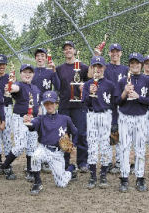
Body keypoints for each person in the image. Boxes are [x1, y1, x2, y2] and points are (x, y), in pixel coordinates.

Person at [24, 91, 78, 195]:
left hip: (58, 153)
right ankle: (37, 182)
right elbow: (32, 125)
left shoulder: (65, 119)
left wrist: (73, 145)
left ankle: (72, 168)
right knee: (35, 156)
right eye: (47, 103)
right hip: (44, 149)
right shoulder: (41, 118)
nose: (49, 106)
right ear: (44, 105)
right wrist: (27, 121)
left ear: (57, 104)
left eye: (52, 103)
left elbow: (75, 132)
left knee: (61, 183)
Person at [115, 53, 149, 192]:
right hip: (125, 117)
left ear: (141, 64)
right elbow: (117, 102)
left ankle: (140, 177)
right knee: (124, 148)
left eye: (137, 63)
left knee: (140, 149)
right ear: (129, 65)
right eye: (132, 63)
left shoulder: (148, 81)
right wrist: (125, 93)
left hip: (141, 117)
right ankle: (124, 178)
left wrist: (138, 97)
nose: (135, 65)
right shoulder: (123, 81)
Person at [0, 64, 40, 181]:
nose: (27, 74)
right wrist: (10, 87)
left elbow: (38, 105)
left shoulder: (36, 88)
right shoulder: (20, 85)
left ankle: (29, 170)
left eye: (30, 72)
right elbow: (14, 88)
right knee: (20, 146)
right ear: (20, 74)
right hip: (20, 119)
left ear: (33, 74)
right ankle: (5, 165)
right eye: (25, 72)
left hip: (34, 119)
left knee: (32, 146)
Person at [82, 56, 115, 189]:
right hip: (92, 115)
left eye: (100, 66)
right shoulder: (87, 84)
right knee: (92, 144)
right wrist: (90, 94)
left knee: (105, 144)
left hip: (106, 115)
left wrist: (114, 120)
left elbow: (114, 103)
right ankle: (92, 175)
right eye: (95, 66)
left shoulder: (110, 84)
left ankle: (103, 175)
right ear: (91, 68)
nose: (97, 69)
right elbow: (84, 103)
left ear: (104, 68)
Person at [56, 41, 89, 172]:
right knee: (64, 135)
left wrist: (84, 88)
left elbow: (91, 81)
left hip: (79, 106)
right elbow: (57, 86)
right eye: (65, 49)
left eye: (70, 48)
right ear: (64, 52)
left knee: (81, 134)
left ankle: (82, 162)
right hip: (64, 105)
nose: (68, 51)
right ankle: (65, 161)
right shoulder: (59, 69)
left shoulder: (83, 67)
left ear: (75, 51)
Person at [31, 48, 60, 172]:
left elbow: (58, 86)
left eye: (42, 55)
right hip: (35, 105)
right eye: (38, 56)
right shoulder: (32, 71)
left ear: (46, 58)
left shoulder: (50, 71)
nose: (40, 58)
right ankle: (35, 159)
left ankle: (48, 160)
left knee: (49, 131)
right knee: (35, 132)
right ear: (35, 58)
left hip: (48, 103)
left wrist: (54, 71)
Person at [104, 43, 129, 174]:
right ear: (109, 53)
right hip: (108, 104)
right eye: (112, 51)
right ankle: (107, 162)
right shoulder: (105, 67)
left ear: (121, 53)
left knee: (121, 133)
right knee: (108, 133)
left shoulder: (126, 69)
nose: (115, 54)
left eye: (117, 51)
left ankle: (119, 161)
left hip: (121, 105)